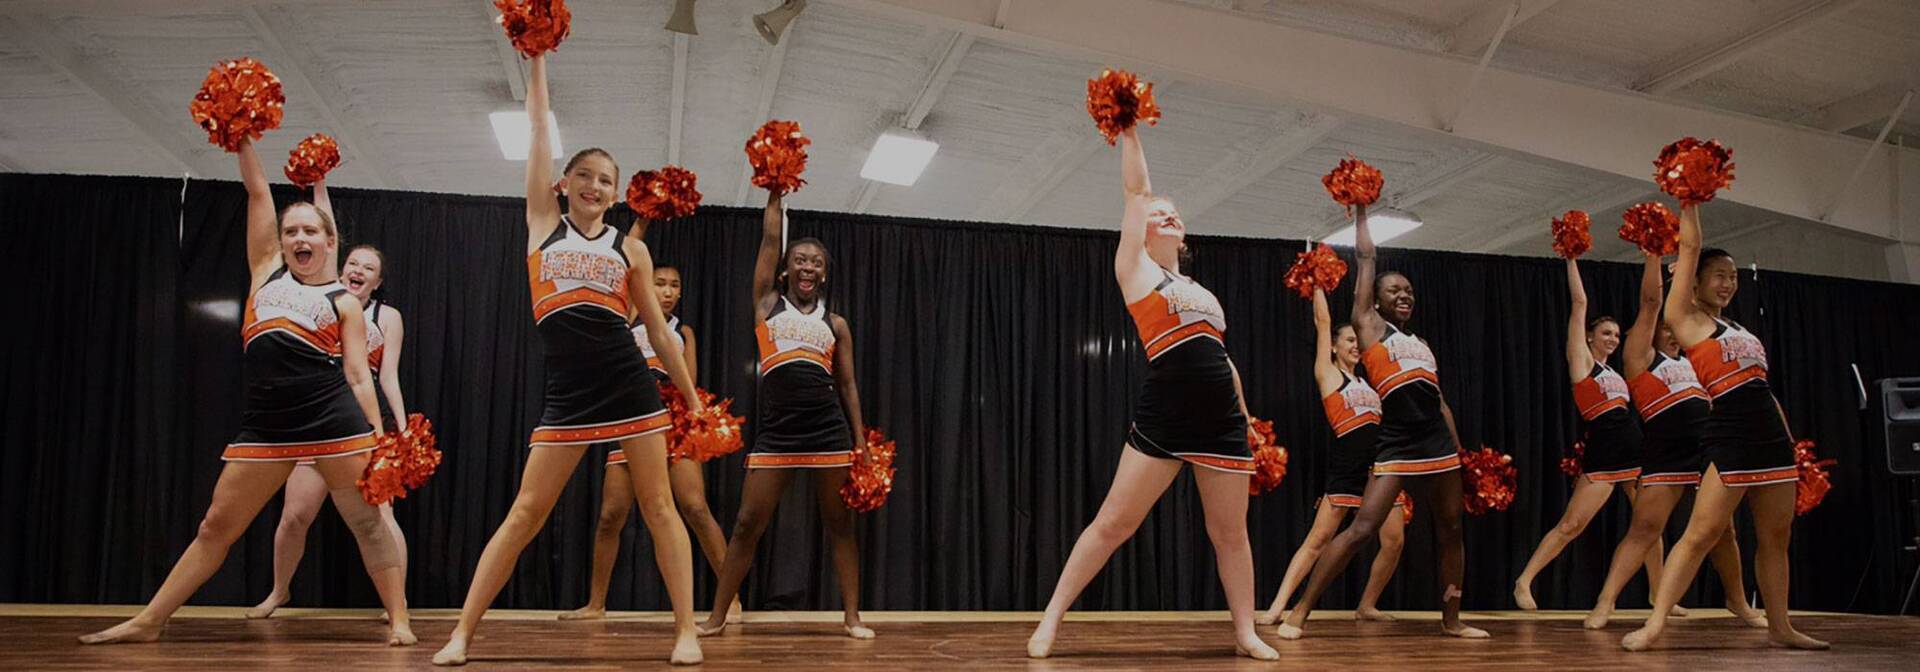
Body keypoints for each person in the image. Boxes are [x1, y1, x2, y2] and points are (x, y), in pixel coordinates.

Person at [79, 139, 411, 646]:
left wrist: (380, 435)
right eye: (290, 231)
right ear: (280, 242)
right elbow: (257, 191)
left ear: (328, 242)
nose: (300, 237)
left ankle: (401, 622)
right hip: (268, 426)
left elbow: (358, 375)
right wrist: (244, 141)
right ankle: (149, 621)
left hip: (334, 422)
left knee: (368, 524)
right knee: (215, 526)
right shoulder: (265, 272)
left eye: (310, 231)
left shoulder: (342, 299)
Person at [431, 52, 705, 666]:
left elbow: (659, 336)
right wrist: (536, 62)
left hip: (630, 386)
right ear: (564, 182)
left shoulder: (630, 250)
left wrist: (690, 399)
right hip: (568, 393)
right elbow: (537, 131)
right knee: (525, 511)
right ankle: (461, 634)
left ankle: (686, 630)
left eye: (606, 179)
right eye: (584, 174)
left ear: (616, 192)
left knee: (660, 507)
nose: (594, 185)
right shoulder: (540, 224)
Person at [1025, 125, 1277, 660]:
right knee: (1114, 522)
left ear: (1184, 237)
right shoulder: (1134, 268)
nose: (1168, 215)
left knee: (1230, 534)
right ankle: (1050, 621)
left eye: (1175, 214)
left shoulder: (1204, 294)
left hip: (1223, 422)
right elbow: (1136, 193)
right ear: (1141, 230)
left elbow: (1224, 361)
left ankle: (1245, 632)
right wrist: (1130, 131)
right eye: (1159, 212)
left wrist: (1249, 418)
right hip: (1165, 415)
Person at [1620, 204, 1828, 652]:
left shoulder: (1739, 327)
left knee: (1776, 538)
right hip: (1730, 434)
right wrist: (1689, 198)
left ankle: (1780, 626)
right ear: (1694, 281)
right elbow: (1690, 244)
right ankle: (1655, 623)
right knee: (1701, 534)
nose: (1728, 283)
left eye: (1733, 276)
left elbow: (1764, 390)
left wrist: (1789, 441)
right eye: (1719, 274)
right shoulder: (1687, 318)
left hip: (1771, 436)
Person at [1276, 204, 1487, 641]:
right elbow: (1367, 259)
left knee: (1451, 530)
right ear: (1375, 300)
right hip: (1396, 443)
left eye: (1408, 290)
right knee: (1362, 529)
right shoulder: (1369, 326)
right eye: (1394, 290)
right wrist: (1361, 209)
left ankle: (1451, 620)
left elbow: (1441, 401)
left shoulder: (1423, 344)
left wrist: (1459, 450)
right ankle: (1300, 611)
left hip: (1437, 443)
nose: (1404, 295)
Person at [694, 190, 872, 639]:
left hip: (828, 432)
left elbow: (848, 385)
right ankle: (717, 616)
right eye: (800, 260)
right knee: (746, 524)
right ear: (786, 270)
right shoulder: (766, 306)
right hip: (777, 433)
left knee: (840, 525)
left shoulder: (836, 325)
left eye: (816, 262)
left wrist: (860, 440)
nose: (807, 266)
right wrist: (774, 194)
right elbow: (771, 238)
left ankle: (852, 616)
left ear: (824, 273)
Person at [561, 228, 738, 624]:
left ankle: (732, 600)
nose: (668, 291)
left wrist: (692, 412)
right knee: (611, 515)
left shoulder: (681, 331)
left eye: (675, 285)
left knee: (693, 506)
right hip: (628, 416)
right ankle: (595, 604)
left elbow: (688, 379)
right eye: (660, 283)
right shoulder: (625, 317)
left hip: (672, 422)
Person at [1585, 252, 1766, 628]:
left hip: (1706, 450)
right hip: (1666, 452)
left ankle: (1738, 602)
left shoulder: (1691, 361)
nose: (1671, 331)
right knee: (1645, 528)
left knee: (1723, 532)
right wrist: (1654, 256)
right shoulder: (1641, 357)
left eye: (1674, 327)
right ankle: (1605, 602)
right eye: (1664, 326)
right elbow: (1651, 302)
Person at [1512, 257, 1669, 610]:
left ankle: (1659, 594)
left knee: (1650, 525)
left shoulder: (1616, 371)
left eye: (1616, 334)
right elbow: (1579, 303)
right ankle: (1524, 581)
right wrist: (1571, 258)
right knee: (1572, 525)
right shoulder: (1581, 362)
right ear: (1589, 336)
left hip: (1635, 450)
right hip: (1605, 452)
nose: (1612, 339)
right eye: (1605, 333)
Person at [1257, 288, 1404, 625]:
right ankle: (1278, 606)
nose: (1355, 345)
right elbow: (1322, 321)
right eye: (1348, 340)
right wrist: (1318, 282)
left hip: (1379, 468)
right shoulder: (1329, 375)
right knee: (1319, 539)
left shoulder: (1371, 383)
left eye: (1358, 340)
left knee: (1394, 541)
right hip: (1347, 467)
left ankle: (1366, 605)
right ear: (1335, 346)